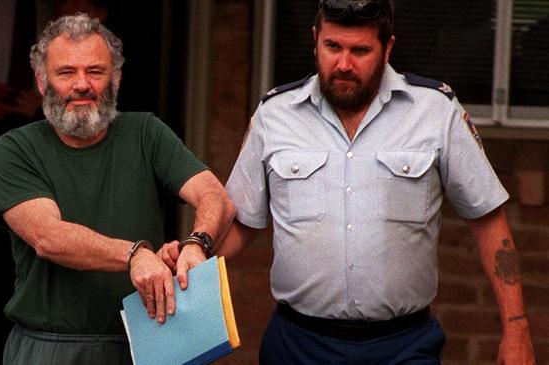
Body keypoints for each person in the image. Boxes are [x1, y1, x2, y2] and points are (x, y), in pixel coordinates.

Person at [217, 0, 536, 364]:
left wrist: (516, 328)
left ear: (388, 49)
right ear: (314, 40)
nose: (344, 64)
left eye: (361, 51)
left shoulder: (434, 112)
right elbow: (243, 222)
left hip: (403, 346)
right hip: (298, 345)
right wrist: (192, 257)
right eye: (332, 47)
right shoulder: (275, 115)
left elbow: (487, 218)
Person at [0, 13, 235, 365]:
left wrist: (197, 245)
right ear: (42, 82)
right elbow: (49, 237)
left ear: (116, 79)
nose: (82, 85)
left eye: (95, 71)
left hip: (147, 342)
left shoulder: (145, 132)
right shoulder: (17, 148)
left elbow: (216, 197)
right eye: (66, 73)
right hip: (50, 348)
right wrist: (135, 254)